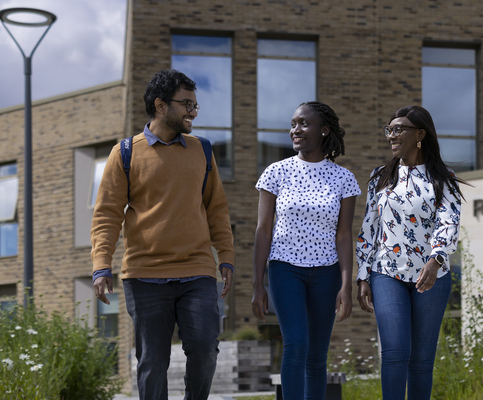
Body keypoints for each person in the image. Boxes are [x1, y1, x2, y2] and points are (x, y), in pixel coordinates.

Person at [91, 69, 235, 400]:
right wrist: (101, 264)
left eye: (195, 106)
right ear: (160, 105)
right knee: (152, 362)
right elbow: (107, 214)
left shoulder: (203, 150)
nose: (192, 112)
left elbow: (217, 209)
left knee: (204, 350)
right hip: (144, 275)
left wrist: (225, 256)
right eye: (186, 104)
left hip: (197, 270)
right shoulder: (124, 153)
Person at [252, 101, 361, 400]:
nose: (295, 130)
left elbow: (343, 235)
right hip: (285, 268)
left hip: (326, 273)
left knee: (316, 355)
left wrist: (345, 284)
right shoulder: (276, 172)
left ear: (324, 130)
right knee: (296, 344)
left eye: (304, 123)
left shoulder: (343, 178)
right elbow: (263, 230)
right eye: (293, 124)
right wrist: (258, 284)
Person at [355, 105, 466, 400]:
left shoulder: (444, 178)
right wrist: (363, 276)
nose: (392, 136)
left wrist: (435, 259)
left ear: (419, 134)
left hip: (431, 276)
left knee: (421, 360)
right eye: (389, 130)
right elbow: (369, 228)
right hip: (386, 273)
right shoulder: (380, 176)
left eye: (398, 129)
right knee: (394, 351)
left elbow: (449, 223)